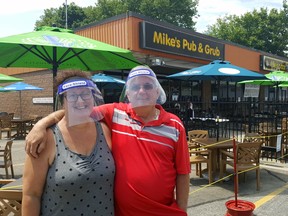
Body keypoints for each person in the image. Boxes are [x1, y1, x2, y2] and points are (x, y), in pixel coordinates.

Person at [25, 65, 191, 216]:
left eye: (148, 86)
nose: (142, 91)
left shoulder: (175, 125)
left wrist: (182, 210)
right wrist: (41, 124)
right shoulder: (116, 114)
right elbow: (78, 111)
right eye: (135, 86)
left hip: (164, 212)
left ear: (157, 91)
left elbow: (183, 172)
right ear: (128, 93)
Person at [22, 70, 115, 216]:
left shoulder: (105, 130)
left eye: (85, 93)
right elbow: (31, 195)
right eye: (72, 96)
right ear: (63, 102)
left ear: (93, 96)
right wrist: (41, 124)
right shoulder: (46, 138)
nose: (80, 101)